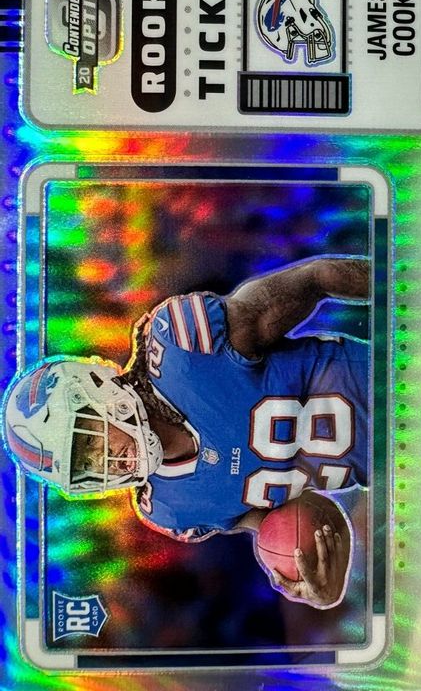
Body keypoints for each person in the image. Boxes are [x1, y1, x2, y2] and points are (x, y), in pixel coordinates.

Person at [3, 256, 370, 608]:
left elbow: (318, 278)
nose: (103, 462)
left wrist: (401, 291)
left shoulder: (180, 344)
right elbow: (309, 514)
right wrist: (321, 580)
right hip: (387, 468)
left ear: (97, 389)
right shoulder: (170, 509)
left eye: (88, 440)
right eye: (85, 465)